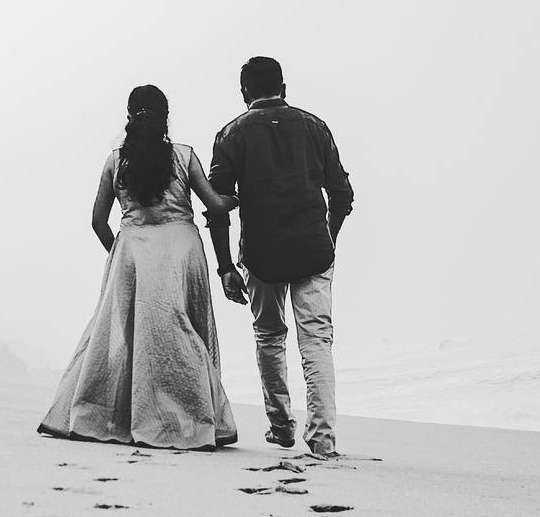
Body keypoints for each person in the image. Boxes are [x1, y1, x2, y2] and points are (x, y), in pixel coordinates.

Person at [38, 85, 240, 450]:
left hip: (133, 252)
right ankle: (192, 420)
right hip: (182, 250)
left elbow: (98, 221)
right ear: (165, 118)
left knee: (129, 338)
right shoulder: (184, 156)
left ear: (130, 117)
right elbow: (216, 205)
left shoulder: (116, 161)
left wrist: (119, 251)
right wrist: (238, 197)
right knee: (184, 330)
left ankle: (118, 417)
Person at [206, 56, 354, 456]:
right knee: (317, 342)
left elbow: (217, 207)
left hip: (261, 253)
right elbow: (342, 196)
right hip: (313, 250)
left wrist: (224, 268)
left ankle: (281, 425)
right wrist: (329, 240)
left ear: (243, 94)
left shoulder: (231, 135)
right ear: (284, 89)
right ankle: (322, 439)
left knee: (270, 336)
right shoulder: (315, 127)